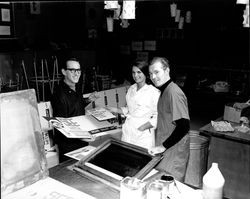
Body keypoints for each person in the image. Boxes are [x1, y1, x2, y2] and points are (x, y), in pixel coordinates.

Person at [148, 57, 190, 182]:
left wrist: (163, 146)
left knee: (171, 186)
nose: (153, 77)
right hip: (166, 148)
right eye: (150, 74)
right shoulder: (164, 91)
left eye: (156, 72)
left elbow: (183, 125)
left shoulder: (174, 92)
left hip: (174, 149)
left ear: (167, 71)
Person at [51, 57, 98, 162]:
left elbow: (73, 108)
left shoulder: (75, 87)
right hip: (69, 145)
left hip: (81, 139)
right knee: (70, 173)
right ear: (64, 72)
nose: (76, 73)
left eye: (78, 70)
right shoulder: (59, 94)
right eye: (72, 70)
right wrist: (83, 137)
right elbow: (61, 125)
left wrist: (87, 101)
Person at [107, 60, 160, 149]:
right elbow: (129, 109)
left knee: (141, 159)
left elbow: (158, 116)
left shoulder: (153, 92)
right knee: (126, 156)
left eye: (139, 72)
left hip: (143, 134)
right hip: (128, 129)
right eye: (133, 72)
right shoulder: (131, 89)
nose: (135, 75)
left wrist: (142, 128)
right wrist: (115, 110)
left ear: (145, 73)